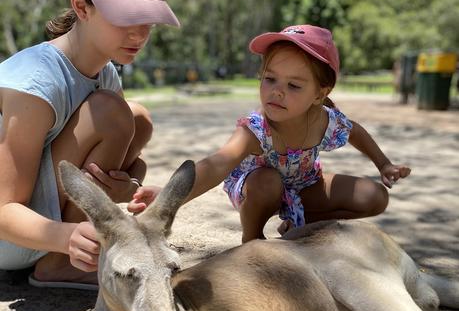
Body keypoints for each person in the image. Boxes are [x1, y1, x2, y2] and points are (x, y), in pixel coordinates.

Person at [0, 0, 180, 288]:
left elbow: (128, 162)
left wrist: (128, 186)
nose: (140, 34)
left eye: (147, 18)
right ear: (81, 6)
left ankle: (65, 253)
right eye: (126, 17)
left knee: (137, 116)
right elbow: (3, 212)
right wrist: (66, 237)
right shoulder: (36, 81)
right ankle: (58, 263)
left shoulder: (106, 72)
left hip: (47, 217)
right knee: (111, 113)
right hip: (15, 237)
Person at [132, 24, 411, 242]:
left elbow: (356, 132)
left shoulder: (325, 120)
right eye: (270, 79)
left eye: (294, 85)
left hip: (304, 185)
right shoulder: (256, 129)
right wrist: (169, 195)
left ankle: (300, 224)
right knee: (268, 181)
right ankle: (252, 238)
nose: (277, 91)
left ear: (320, 94)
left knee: (375, 197)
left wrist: (383, 164)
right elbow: (216, 164)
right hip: (257, 189)